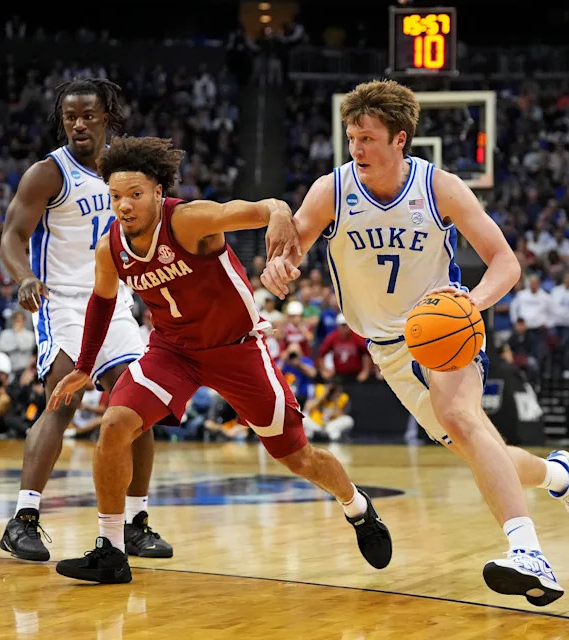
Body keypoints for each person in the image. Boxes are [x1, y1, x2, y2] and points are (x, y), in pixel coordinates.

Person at [261, 79, 569, 607]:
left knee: (463, 419)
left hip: (443, 328)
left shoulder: (440, 187)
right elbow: (294, 251)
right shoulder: (331, 190)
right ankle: (560, 475)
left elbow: (506, 262)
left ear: (400, 139)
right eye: (352, 137)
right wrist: (280, 267)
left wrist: (472, 303)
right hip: (385, 345)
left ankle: (528, 552)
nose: (357, 149)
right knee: (471, 447)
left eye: (369, 138)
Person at [48, 136, 391, 584]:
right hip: (172, 353)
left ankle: (357, 507)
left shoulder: (189, 220)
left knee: (297, 457)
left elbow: (260, 207)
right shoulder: (109, 247)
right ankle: (111, 549)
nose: (125, 206)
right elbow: (101, 302)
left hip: (236, 349)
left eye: (135, 194)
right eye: (116, 197)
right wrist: (83, 365)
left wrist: (280, 213)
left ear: (157, 191)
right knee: (115, 425)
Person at [0, 78, 171, 562]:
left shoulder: (123, 171)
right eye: (70, 116)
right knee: (63, 400)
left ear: (106, 117)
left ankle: (135, 522)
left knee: (139, 404)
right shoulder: (48, 173)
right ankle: (24, 518)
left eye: (88, 115)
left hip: (113, 301)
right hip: (61, 300)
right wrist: (23, 278)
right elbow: (11, 236)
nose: (78, 123)